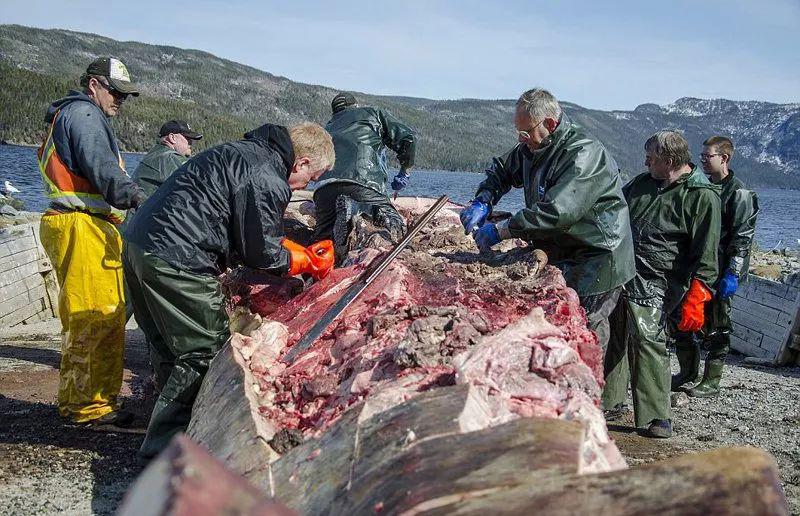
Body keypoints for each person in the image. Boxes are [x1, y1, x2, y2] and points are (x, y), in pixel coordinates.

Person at [124, 121, 335, 458]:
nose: (302, 187)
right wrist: (304, 262)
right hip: (179, 257)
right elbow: (260, 252)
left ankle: (172, 426)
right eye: (309, 179)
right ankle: (163, 456)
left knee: (167, 347)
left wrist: (291, 250)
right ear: (303, 162)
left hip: (139, 245)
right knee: (206, 353)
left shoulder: (245, 153)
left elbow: (242, 225)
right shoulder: (268, 176)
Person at [461, 88, 635, 353]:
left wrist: (501, 230)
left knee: (585, 331)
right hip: (563, 247)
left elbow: (556, 211)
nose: (522, 139)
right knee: (559, 323)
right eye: (518, 132)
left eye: (526, 132)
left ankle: (597, 392)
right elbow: (503, 170)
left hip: (597, 254)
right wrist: (484, 199)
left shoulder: (583, 153)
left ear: (550, 124)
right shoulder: (532, 146)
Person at [37, 56, 145, 427]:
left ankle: (80, 401)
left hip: (81, 224)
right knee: (93, 317)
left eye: (125, 95)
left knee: (96, 315)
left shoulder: (75, 115)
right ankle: (89, 408)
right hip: (80, 225)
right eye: (115, 92)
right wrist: (138, 197)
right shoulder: (84, 115)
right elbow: (101, 167)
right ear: (94, 85)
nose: (120, 100)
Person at [602, 130, 721, 438]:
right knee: (614, 331)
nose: (645, 162)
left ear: (669, 162)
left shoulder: (701, 196)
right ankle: (610, 399)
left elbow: (707, 254)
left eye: (651, 158)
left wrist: (698, 295)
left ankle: (657, 416)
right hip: (624, 270)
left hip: (662, 280)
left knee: (647, 338)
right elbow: (612, 209)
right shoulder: (642, 184)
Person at [671, 136, 759, 397]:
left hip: (722, 268)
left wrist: (733, 272)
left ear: (724, 158)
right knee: (684, 319)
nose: (703, 161)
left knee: (718, 324)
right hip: (697, 266)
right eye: (702, 156)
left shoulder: (740, 194)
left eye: (708, 156)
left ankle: (712, 380)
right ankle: (688, 371)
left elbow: (743, 237)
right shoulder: (702, 188)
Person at [312, 92, 416, 245]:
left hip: (323, 189)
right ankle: (356, 209)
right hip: (363, 180)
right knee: (394, 226)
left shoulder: (327, 127)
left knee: (323, 240)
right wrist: (405, 171)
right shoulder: (373, 114)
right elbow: (408, 138)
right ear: (355, 106)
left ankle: (333, 240)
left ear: (335, 112)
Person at [131, 120, 203, 198]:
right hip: (152, 209)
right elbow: (198, 186)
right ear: (172, 138)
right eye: (187, 138)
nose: (191, 142)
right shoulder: (169, 158)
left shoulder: (157, 153)